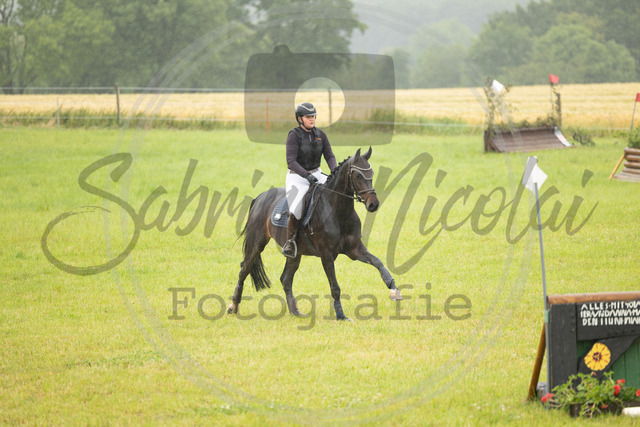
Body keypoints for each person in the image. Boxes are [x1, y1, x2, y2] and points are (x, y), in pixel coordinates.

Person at [282, 102, 337, 258]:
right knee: (297, 207)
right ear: (300, 119)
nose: (312, 119)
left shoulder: (320, 134)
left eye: (313, 116)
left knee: (336, 192)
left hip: (317, 174)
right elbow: (291, 161)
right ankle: (290, 241)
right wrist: (306, 175)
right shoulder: (294, 135)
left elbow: (329, 156)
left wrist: (334, 172)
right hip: (297, 177)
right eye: (308, 117)